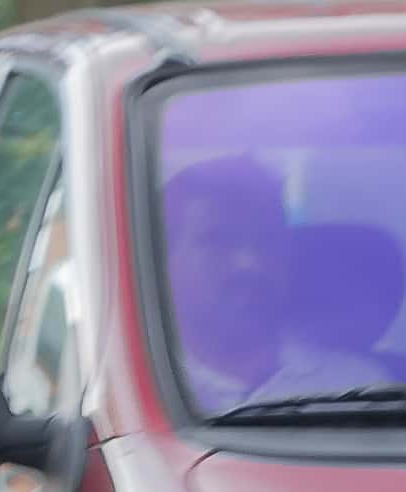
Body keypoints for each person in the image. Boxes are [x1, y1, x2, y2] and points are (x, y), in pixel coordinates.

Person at [162, 157, 382, 413]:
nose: (250, 263)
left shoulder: (358, 387)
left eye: (268, 239)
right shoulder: (136, 391)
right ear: (165, 259)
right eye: (218, 241)